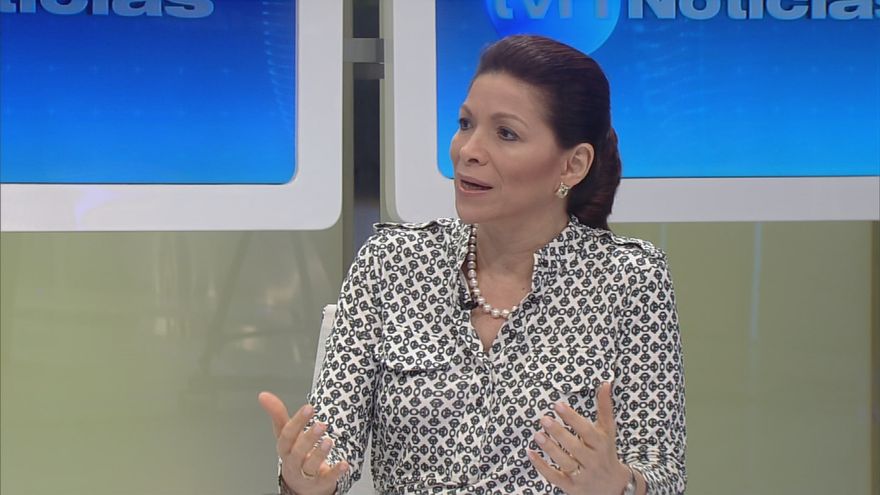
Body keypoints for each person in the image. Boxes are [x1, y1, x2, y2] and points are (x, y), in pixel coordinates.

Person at [259, 35, 686, 494]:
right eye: (466, 124)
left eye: (506, 133)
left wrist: (620, 486)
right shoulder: (392, 262)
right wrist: (303, 480)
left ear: (572, 165)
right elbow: (331, 450)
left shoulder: (630, 279)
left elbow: (663, 470)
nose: (468, 150)